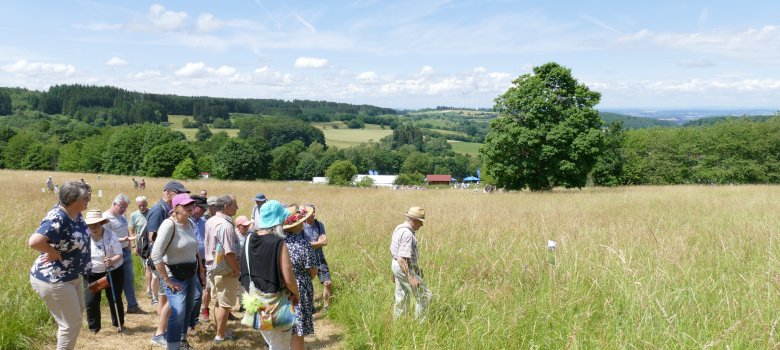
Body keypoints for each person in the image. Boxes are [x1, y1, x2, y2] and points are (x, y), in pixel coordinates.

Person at [28, 181, 92, 350]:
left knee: (76, 315)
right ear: (71, 199)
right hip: (55, 279)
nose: (89, 199)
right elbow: (34, 241)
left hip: (70, 276)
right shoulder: (58, 216)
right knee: (71, 324)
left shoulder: (75, 213)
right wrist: (52, 252)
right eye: (85, 197)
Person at [239, 200, 300, 349]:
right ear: (278, 221)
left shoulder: (248, 239)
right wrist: (296, 293)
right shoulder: (279, 243)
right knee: (281, 345)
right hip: (277, 304)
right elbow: (288, 277)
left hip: (257, 303)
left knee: (272, 342)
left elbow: (244, 271)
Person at [150, 193, 205, 350]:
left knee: (188, 309)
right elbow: (156, 254)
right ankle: (172, 346)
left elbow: (195, 250)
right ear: (176, 208)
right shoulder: (169, 225)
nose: (191, 207)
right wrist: (166, 280)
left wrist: (200, 271)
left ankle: (182, 341)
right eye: (186, 205)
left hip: (191, 272)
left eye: (191, 205)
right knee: (178, 310)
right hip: (174, 275)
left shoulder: (190, 224)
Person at [147, 181, 190, 346]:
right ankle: (160, 333)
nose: (182, 197)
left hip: (169, 262)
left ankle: (162, 331)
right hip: (164, 262)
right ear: (169, 193)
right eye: (179, 193)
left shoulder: (166, 208)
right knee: (169, 298)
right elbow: (153, 237)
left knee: (166, 298)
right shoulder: (159, 209)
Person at [205, 195, 241, 344]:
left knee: (218, 302)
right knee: (225, 304)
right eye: (235, 205)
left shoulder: (211, 220)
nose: (237, 208)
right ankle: (220, 335)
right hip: (225, 270)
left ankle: (219, 331)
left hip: (213, 268)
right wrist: (237, 269)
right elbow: (229, 253)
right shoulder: (225, 226)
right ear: (226, 207)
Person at [83, 210, 125, 334]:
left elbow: (119, 254)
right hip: (91, 273)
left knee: (114, 298)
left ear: (102, 223)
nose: (94, 228)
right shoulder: (84, 237)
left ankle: (118, 323)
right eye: (91, 225)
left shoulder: (111, 235)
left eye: (96, 224)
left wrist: (112, 260)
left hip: (113, 271)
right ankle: (94, 328)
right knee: (91, 301)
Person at [283, 204, 318, 350]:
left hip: (283, 286)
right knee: (298, 327)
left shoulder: (280, 243)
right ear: (299, 224)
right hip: (300, 287)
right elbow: (313, 271)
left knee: (285, 325)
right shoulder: (304, 244)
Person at [390, 207, 432, 320]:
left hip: (397, 267)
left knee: (401, 297)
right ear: (414, 220)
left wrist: (395, 273)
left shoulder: (398, 228)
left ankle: (398, 323)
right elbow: (402, 259)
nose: (422, 225)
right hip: (403, 267)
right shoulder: (408, 234)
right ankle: (420, 326)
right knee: (425, 296)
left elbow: (395, 254)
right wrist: (411, 276)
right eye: (420, 222)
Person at [103, 194, 142, 314]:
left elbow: (126, 230)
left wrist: (129, 245)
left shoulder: (122, 215)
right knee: (117, 282)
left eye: (125, 208)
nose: (124, 210)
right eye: (122, 207)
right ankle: (117, 310)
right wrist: (124, 239)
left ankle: (132, 306)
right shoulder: (105, 218)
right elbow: (106, 239)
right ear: (114, 204)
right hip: (114, 255)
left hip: (125, 250)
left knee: (129, 278)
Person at [302, 205, 333, 311]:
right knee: (307, 284)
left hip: (320, 258)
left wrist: (314, 243)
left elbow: (325, 242)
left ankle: (326, 306)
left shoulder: (319, 225)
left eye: (314, 211)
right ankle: (310, 306)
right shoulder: (300, 226)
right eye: (311, 212)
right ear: (305, 214)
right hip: (305, 259)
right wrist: (318, 242)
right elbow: (303, 245)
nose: (313, 214)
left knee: (328, 282)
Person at [187, 195, 209, 334]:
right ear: (193, 207)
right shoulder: (186, 222)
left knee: (199, 292)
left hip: (202, 261)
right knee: (195, 294)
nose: (203, 211)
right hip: (190, 261)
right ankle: (188, 324)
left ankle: (193, 321)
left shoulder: (203, 221)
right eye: (202, 208)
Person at [129, 195, 154, 304]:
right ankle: (149, 288)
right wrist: (133, 246)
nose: (141, 207)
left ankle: (153, 288)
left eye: (143, 205)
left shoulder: (152, 212)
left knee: (152, 266)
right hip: (142, 244)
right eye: (139, 205)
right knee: (147, 266)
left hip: (152, 242)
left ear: (146, 204)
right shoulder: (134, 215)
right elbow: (131, 231)